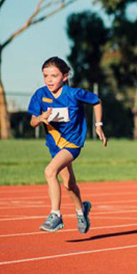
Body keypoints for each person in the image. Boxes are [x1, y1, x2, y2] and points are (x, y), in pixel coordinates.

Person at [28, 57, 107, 234]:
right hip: (54, 145)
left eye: (54, 76)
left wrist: (98, 125)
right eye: (46, 75)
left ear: (65, 76)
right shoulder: (40, 95)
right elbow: (33, 121)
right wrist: (40, 118)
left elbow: (96, 101)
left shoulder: (73, 93)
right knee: (69, 184)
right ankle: (81, 211)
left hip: (72, 143)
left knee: (49, 171)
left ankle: (55, 215)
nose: (49, 80)